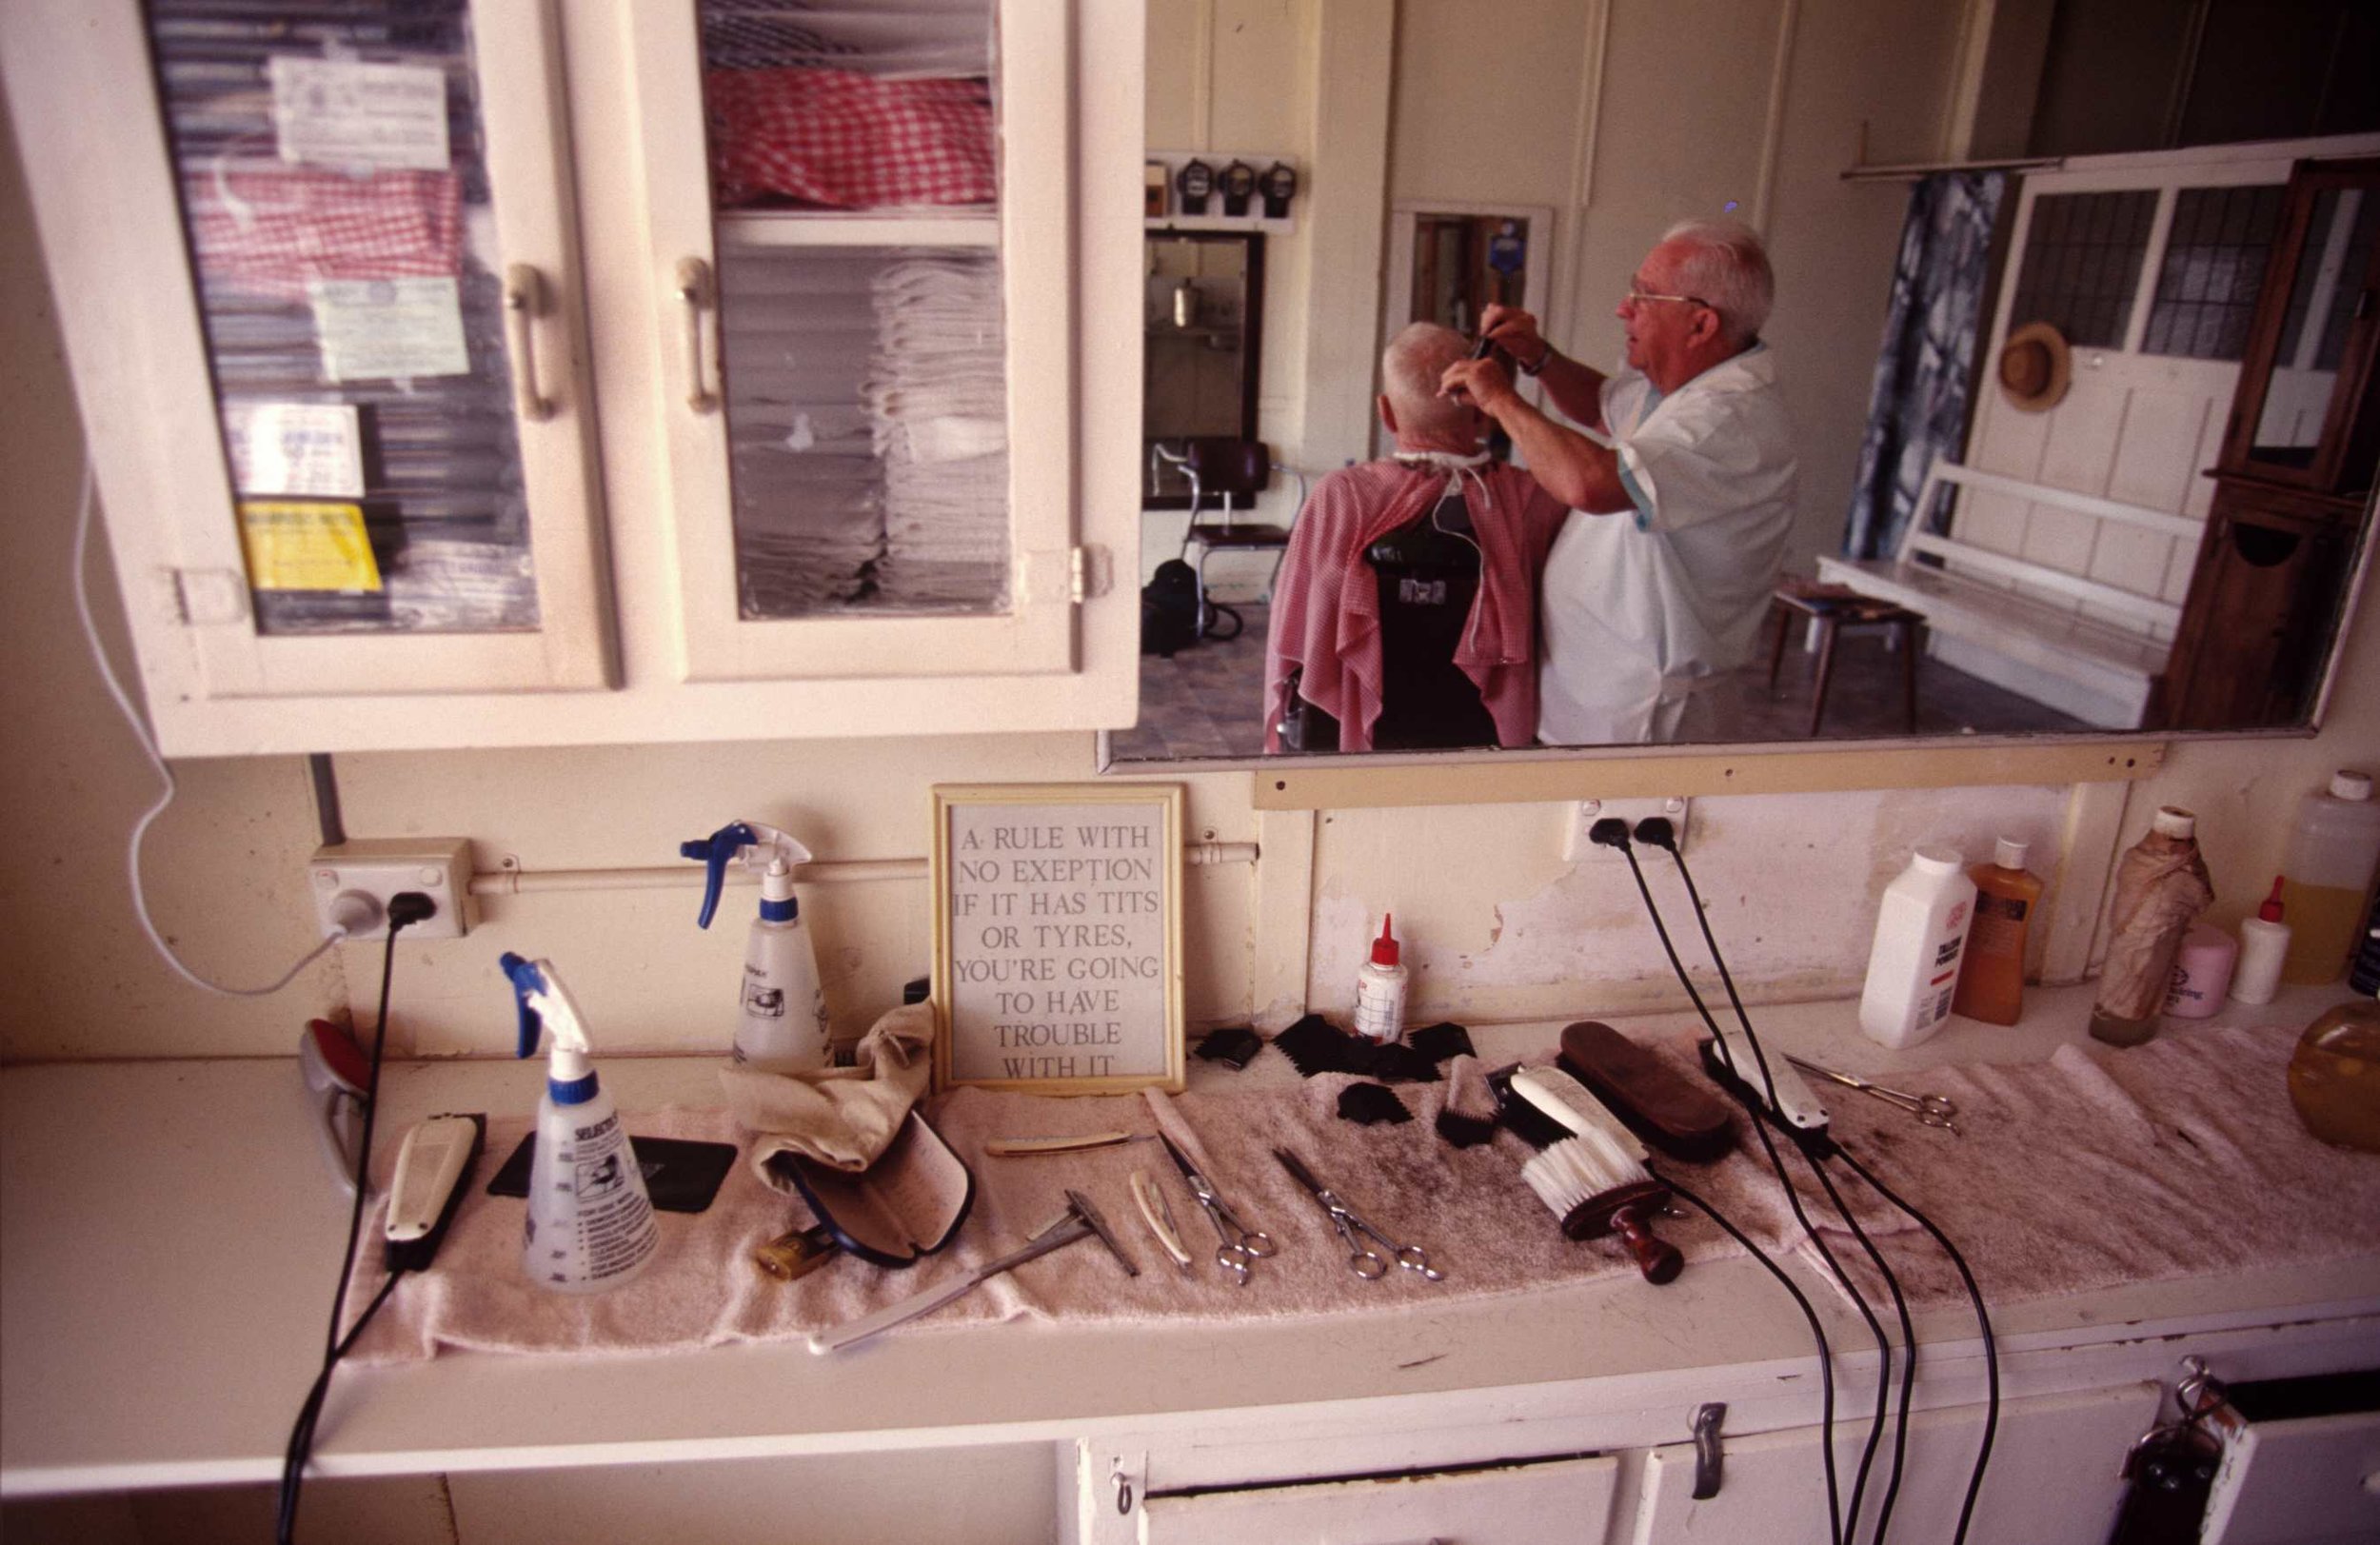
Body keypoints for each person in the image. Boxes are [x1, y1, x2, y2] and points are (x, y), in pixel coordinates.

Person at [1439, 217, 1798, 745]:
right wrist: (1538, 357)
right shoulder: (1678, 386)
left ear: (1700, 325)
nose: (1623, 308)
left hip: (1641, 709)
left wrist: (1499, 399)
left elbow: (1592, 485)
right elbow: (1606, 408)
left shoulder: (1724, 422)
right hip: (1591, 682)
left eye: (1645, 296)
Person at [1263, 323, 1569, 753]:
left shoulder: (1340, 496)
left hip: (1360, 742)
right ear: (1482, 412)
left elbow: (1295, 639)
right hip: (1484, 740)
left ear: (1385, 413)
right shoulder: (1535, 498)